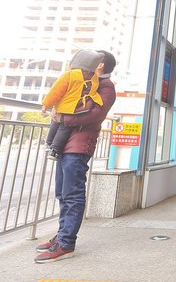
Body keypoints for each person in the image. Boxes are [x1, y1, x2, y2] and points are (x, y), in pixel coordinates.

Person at [35, 50, 117, 263]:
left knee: (72, 195)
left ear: (100, 64)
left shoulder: (106, 86)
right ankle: (62, 235)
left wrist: (63, 118)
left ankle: (66, 243)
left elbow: (96, 115)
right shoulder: (82, 80)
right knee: (62, 194)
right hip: (66, 145)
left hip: (79, 146)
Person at [41, 49, 105, 159]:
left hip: (64, 106)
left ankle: (48, 143)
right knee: (65, 128)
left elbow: (56, 91)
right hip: (80, 108)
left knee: (55, 122)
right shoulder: (94, 77)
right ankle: (55, 151)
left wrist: (46, 104)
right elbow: (92, 92)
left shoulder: (70, 75)